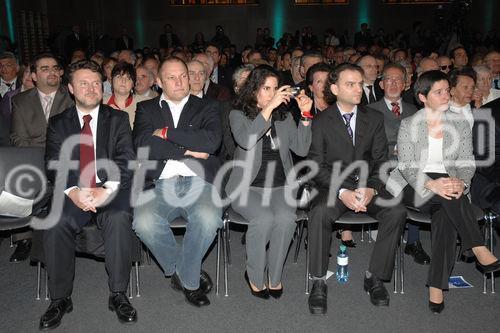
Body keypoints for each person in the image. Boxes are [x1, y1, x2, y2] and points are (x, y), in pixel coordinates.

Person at [386, 70, 500, 314]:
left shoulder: (459, 122)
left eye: (447, 90)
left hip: (447, 186)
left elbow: (467, 161)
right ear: (422, 97)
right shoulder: (408, 124)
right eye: (439, 92)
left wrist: (461, 182)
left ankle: (436, 285)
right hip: (411, 184)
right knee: (446, 192)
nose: (446, 95)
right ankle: (477, 245)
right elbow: (406, 166)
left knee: (446, 213)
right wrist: (431, 184)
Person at [41, 60, 137, 330]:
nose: (91, 88)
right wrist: (73, 192)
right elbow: (53, 163)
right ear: (71, 88)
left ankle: (118, 293)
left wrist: (104, 189)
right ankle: (60, 298)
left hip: (108, 190)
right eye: (83, 83)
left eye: (96, 82)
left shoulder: (117, 119)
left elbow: (125, 160)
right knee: (56, 221)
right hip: (74, 191)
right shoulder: (59, 123)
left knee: (118, 217)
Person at [307, 64, 407, 315]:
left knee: (396, 211)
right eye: (350, 84)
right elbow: (316, 166)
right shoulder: (320, 120)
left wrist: (372, 188)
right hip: (333, 187)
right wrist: (343, 191)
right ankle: (318, 280)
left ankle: (374, 276)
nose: (357, 89)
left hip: (367, 185)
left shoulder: (373, 118)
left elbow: (381, 160)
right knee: (319, 213)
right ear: (334, 88)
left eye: (359, 84)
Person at [132, 56, 223, 307]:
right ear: (159, 81)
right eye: (171, 77)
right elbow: (142, 145)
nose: (180, 81)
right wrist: (187, 149)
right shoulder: (146, 109)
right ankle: (184, 270)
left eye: (183, 75)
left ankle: (188, 281)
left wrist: (166, 134)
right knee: (143, 222)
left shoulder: (208, 107)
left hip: (200, 180)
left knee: (208, 218)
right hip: (160, 182)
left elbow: (210, 143)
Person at [226, 65, 312, 299]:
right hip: (247, 186)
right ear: (253, 90)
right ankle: (254, 275)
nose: (273, 94)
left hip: (280, 185)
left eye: (276, 89)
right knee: (263, 219)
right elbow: (246, 140)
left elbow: (301, 149)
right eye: (266, 88)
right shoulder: (238, 115)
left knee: (286, 219)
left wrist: (305, 115)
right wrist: (269, 108)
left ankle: (275, 276)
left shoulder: (284, 118)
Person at [367, 63, 429, 264]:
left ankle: (413, 241)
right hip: (382, 168)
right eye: (388, 79)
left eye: (398, 80)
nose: (393, 83)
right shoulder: (369, 111)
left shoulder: (416, 111)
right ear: (381, 84)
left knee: (420, 182)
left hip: (411, 166)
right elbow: (364, 148)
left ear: (405, 84)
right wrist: (391, 150)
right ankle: (393, 235)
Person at [103, 61, 148, 128]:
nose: (123, 81)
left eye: (128, 78)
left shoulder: (145, 104)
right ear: (112, 80)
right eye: (119, 77)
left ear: (133, 84)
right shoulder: (101, 103)